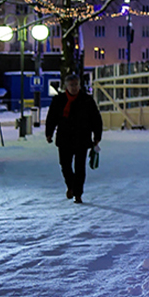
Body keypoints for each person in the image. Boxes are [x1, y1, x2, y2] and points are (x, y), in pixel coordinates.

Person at [46, 73, 102, 204]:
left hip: (81, 138)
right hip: (64, 138)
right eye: (71, 85)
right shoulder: (59, 100)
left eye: (76, 85)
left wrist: (97, 136)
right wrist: (49, 133)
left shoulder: (86, 100)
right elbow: (52, 117)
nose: (74, 87)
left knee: (80, 167)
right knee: (65, 165)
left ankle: (78, 193)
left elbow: (96, 119)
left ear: (79, 85)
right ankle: (71, 186)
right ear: (66, 86)